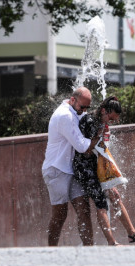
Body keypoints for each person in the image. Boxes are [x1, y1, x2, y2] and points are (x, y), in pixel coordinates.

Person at [73, 96, 135, 245]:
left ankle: (132, 234)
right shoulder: (91, 123)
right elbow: (86, 150)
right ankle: (112, 242)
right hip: (85, 169)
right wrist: (99, 140)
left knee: (115, 195)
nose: (111, 122)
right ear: (103, 110)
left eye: (114, 120)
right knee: (101, 203)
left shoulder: (100, 123)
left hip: (96, 167)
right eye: (110, 118)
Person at [41, 87, 100, 246]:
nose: (84, 111)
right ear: (72, 100)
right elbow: (82, 146)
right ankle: (51, 251)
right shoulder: (64, 116)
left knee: (84, 209)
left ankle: (89, 249)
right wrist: (97, 139)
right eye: (82, 107)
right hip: (56, 170)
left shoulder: (75, 111)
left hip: (72, 170)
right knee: (60, 215)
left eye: (88, 107)